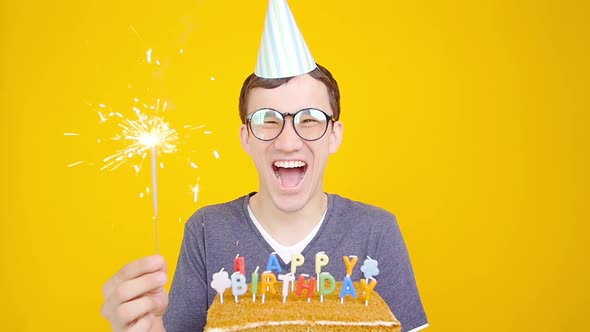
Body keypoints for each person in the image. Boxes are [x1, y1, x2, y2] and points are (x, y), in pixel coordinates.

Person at [101, 1, 428, 331]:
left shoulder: (376, 232)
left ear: (334, 135)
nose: (288, 141)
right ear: (246, 137)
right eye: (268, 120)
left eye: (310, 119)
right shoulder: (206, 232)